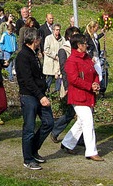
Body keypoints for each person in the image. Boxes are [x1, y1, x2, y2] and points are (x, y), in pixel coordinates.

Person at [60, 33, 103, 161]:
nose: (87, 45)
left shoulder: (87, 57)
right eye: (84, 43)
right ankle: (91, 151)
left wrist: (95, 83)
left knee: (82, 121)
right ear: (79, 45)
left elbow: (94, 72)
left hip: (88, 95)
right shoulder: (71, 61)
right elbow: (73, 79)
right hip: (78, 97)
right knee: (88, 121)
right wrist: (90, 86)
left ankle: (67, 143)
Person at [17, 28, 54, 170]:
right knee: (29, 128)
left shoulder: (33, 54)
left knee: (49, 122)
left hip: (39, 94)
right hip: (29, 96)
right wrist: (41, 96)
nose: (40, 41)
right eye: (39, 39)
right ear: (34, 40)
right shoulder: (23, 56)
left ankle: (33, 149)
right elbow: (27, 80)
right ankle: (28, 159)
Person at [50, 26, 80, 143]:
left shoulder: (77, 49)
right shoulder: (64, 50)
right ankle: (56, 131)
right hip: (70, 85)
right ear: (69, 37)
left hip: (78, 84)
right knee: (73, 112)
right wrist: (67, 87)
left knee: (77, 113)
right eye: (75, 35)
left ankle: (79, 138)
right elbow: (64, 69)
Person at [42, 23, 62, 92]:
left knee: (58, 79)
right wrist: (54, 55)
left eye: (59, 30)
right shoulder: (48, 38)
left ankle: (57, 93)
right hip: (50, 62)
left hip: (58, 63)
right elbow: (46, 49)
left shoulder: (62, 39)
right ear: (53, 30)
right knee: (49, 79)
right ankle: (45, 91)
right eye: (56, 30)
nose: (57, 31)